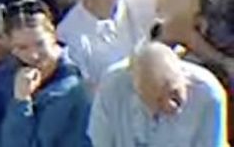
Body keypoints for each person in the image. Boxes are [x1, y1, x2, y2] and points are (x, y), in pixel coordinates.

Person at [0, 0, 91, 147]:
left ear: (53, 35)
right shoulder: (3, 78)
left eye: (40, 44)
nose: (34, 55)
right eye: (22, 47)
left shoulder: (74, 89)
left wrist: (21, 102)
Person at [87, 42, 228, 146]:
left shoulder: (209, 95)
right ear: (137, 90)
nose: (170, 105)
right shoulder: (112, 86)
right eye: (159, 100)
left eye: (174, 93)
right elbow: (100, 141)